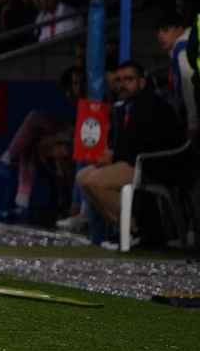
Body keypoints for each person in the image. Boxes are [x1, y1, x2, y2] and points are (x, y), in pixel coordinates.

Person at [74, 60, 184, 239]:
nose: (123, 85)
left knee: (95, 181)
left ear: (141, 82)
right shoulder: (128, 106)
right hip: (132, 161)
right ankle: (125, 229)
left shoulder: (149, 104)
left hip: (154, 165)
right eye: (119, 80)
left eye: (128, 79)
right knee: (82, 177)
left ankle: (136, 227)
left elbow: (146, 145)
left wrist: (114, 156)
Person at [155, 13, 197, 140]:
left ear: (179, 30)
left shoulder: (183, 50)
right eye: (158, 32)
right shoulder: (182, 46)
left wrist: (193, 124)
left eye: (166, 30)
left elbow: (189, 87)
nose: (160, 36)